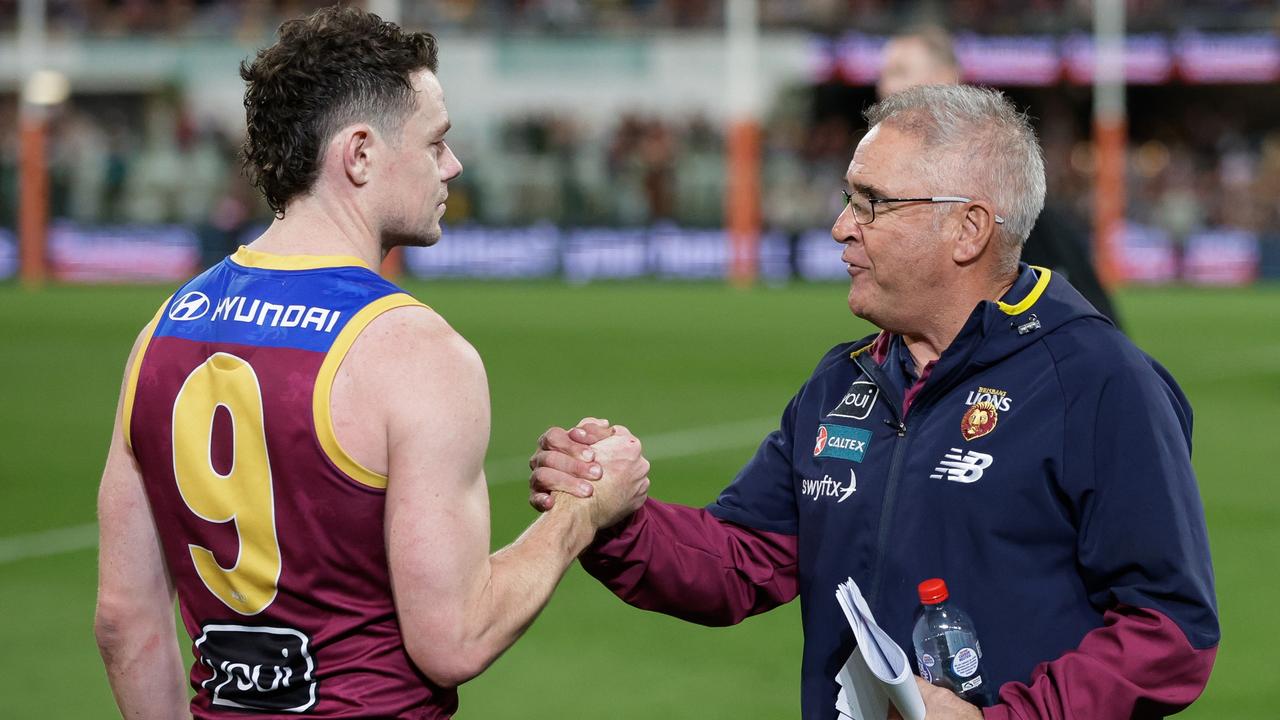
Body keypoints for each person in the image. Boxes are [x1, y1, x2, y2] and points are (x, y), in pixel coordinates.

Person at [530, 85, 1217, 719]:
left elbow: (1169, 630)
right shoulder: (845, 382)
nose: (840, 226)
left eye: (872, 202)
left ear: (968, 229)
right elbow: (739, 558)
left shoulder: (1099, 380)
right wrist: (613, 518)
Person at [93, 7, 648, 718]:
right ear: (359, 154)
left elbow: (123, 620)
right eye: (436, 142)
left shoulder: (162, 333)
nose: (453, 165)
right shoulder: (415, 352)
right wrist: (581, 514)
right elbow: (454, 637)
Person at [877, 26, 1122, 328]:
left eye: (899, 71)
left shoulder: (993, 176)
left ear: (945, 77)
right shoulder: (904, 172)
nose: (885, 87)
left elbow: (1088, 312)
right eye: (884, 74)